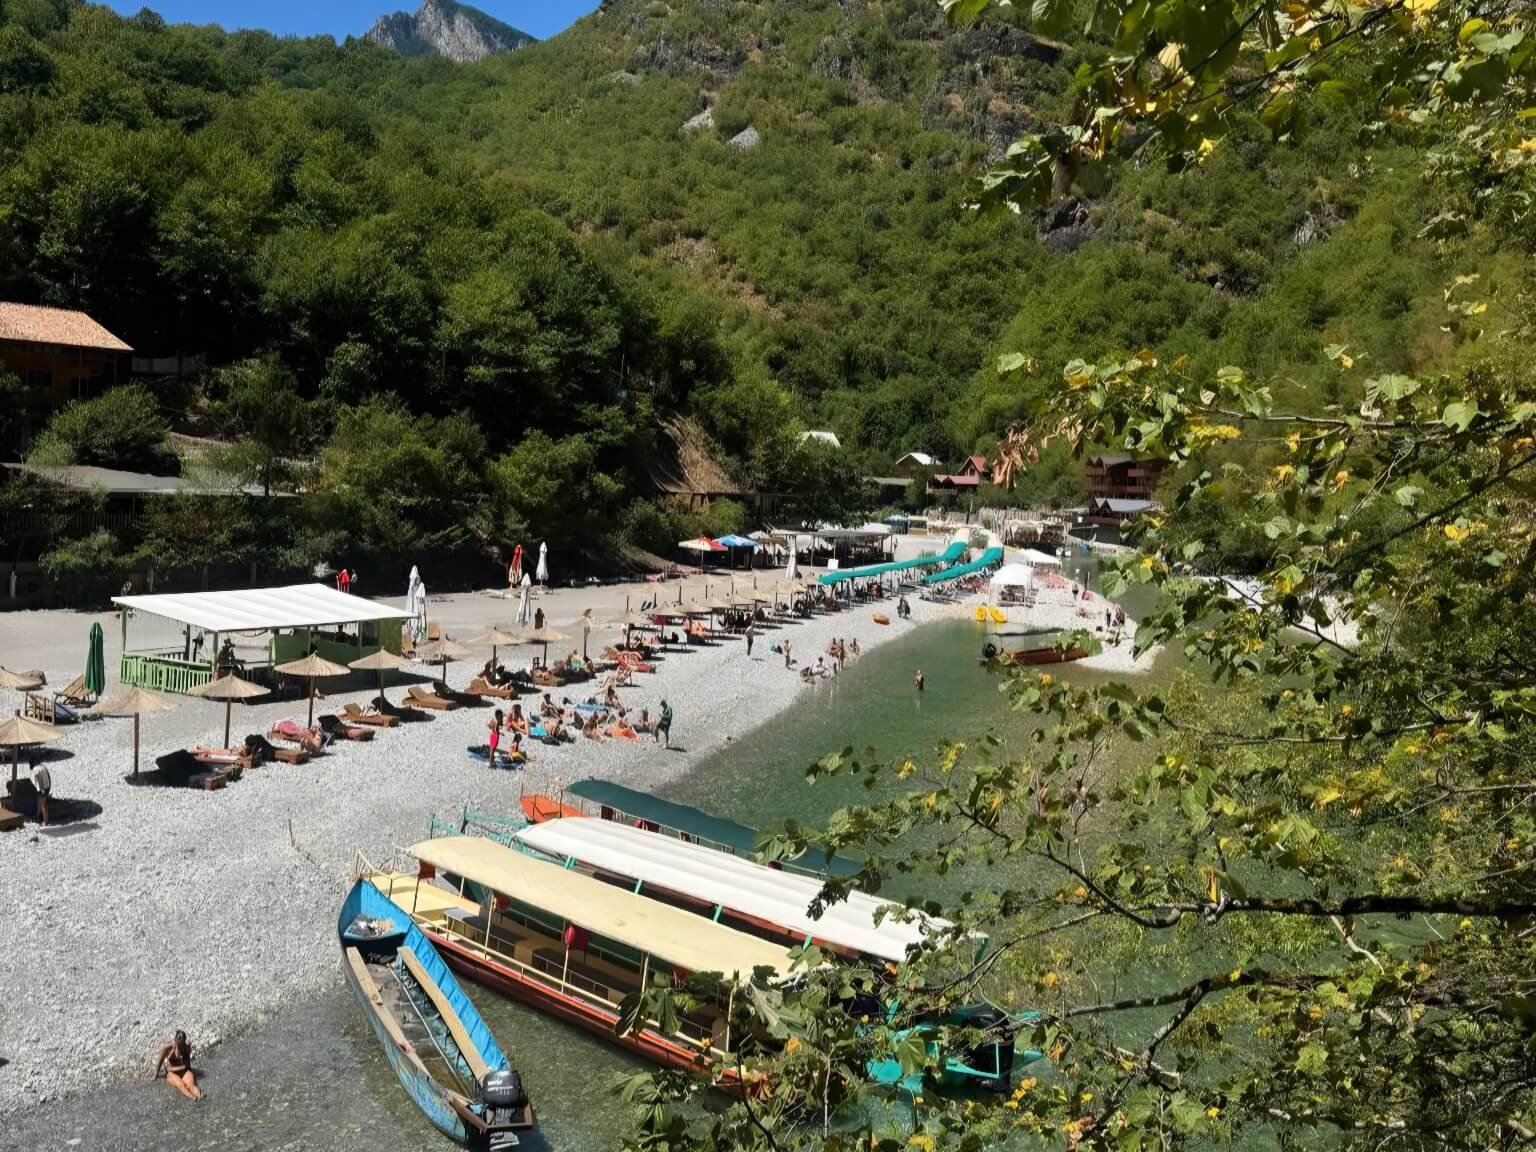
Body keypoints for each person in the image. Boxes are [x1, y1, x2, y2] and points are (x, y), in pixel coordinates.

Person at [155, 1031, 200, 1100]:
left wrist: (189, 1070)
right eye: (179, 1039)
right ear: (175, 1039)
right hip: (172, 1073)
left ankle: (200, 1096)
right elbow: (163, 1063)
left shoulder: (186, 1048)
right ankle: (193, 1098)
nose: (180, 1042)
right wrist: (156, 1074)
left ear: (184, 1041)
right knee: (181, 1085)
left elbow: (188, 1062)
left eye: (182, 1041)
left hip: (184, 1072)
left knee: (191, 1085)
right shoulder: (168, 1049)